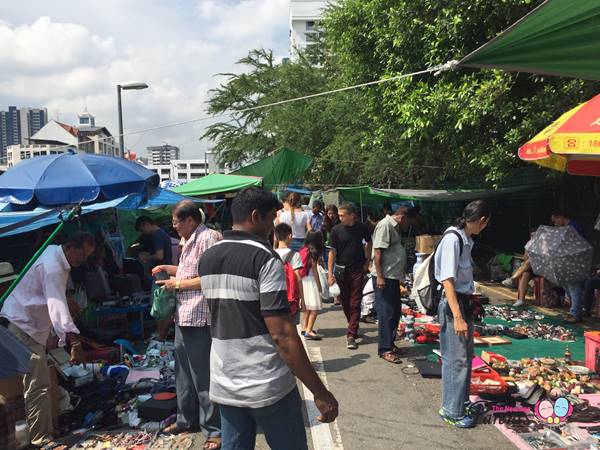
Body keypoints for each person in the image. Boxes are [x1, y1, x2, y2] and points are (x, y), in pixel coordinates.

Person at [198, 187, 338, 450]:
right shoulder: (264, 259)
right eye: (272, 217)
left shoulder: (208, 257)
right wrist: (320, 392)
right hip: (266, 383)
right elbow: (282, 335)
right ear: (255, 216)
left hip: (225, 381)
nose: (274, 224)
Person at [0, 232, 95, 447]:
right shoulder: (53, 267)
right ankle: (40, 439)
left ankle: (44, 431)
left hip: (28, 325)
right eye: (82, 254)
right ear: (70, 247)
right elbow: (59, 311)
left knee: (39, 383)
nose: (83, 260)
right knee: (38, 385)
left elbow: (54, 299)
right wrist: (76, 345)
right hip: (24, 326)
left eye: (87, 256)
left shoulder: (54, 252)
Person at [152, 200, 222, 450]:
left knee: (202, 375)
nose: (174, 227)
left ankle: (214, 429)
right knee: (182, 373)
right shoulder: (189, 240)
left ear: (190, 220)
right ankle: (186, 420)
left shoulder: (209, 238)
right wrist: (168, 270)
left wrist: (177, 285)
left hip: (200, 316)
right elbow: (186, 271)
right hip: (183, 315)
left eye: (176, 222)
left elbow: (211, 277)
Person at [435, 200, 491, 428]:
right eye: (486, 224)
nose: (484, 228)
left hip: (463, 303)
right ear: (482, 220)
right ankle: (451, 410)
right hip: (453, 306)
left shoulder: (465, 239)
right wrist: (457, 316)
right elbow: (447, 280)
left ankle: (460, 402)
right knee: (456, 360)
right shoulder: (453, 239)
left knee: (465, 357)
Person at [371, 206, 416, 364]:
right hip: (385, 277)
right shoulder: (385, 225)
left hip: (393, 277)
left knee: (395, 311)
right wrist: (380, 277)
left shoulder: (395, 228)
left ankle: (390, 343)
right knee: (386, 313)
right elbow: (377, 252)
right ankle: (384, 349)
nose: (408, 226)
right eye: (408, 222)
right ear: (402, 217)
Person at [327, 202, 372, 350]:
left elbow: (369, 242)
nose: (339, 218)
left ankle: (351, 334)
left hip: (357, 269)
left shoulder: (362, 228)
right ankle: (352, 325)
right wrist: (329, 273)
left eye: (342, 215)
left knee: (355, 302)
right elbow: (332, 253)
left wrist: (367, 260)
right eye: (338, 215)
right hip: (341, 271)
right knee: (345, 301)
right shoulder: (335, 230)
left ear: (352, 216)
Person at [135, 216, 174, 339]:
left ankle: (161, 335)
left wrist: (146, 257)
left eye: (142, 229)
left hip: (161, 274)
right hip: (163, 273)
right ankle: (161, 334)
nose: (143, 232)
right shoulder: (161, 234)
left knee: (159, 306)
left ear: (146, 224)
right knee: (163, 305)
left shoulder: (157, 235)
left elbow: (159, 255)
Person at [274, 223, 304, 326]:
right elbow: (298, 278)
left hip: (275, 297)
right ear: (290, 236)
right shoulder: (295, 255)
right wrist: (302, 300)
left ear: (276, 237)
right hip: (291, 299)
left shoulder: (270, 254)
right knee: (292, 328)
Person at [299, 231, 325, 340]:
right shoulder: (314, 252)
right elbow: (314, 271)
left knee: (307, 308)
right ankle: (309, 330)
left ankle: (305, 328)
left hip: (303, 280)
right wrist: (319, 286)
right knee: (314, 308)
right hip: (311, 281)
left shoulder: (303, 250)